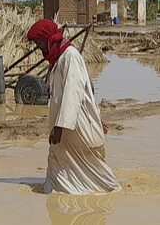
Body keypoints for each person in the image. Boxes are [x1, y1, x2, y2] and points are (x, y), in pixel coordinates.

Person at [27, 19, 121, 195]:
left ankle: (109, 193)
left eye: (40, 43)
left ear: (48, 39)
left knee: (92, 169)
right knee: (59, 162)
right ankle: (55, 193)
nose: (39, 48)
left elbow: (74, 92)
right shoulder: (57, 60)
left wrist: (60, 127)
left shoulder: (70, 56)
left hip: (75, 125)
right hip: (66, 124)